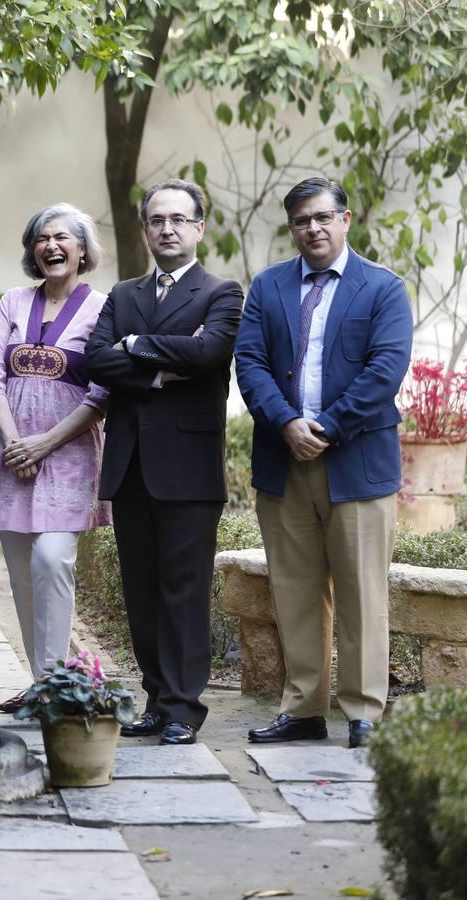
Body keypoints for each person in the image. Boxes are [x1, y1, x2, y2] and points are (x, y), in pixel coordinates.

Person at [235, 177, 412, 749]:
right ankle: (304, 709)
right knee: (295, 589)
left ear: (345, 218)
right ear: (291, 228)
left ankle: (363, 711)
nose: (312, 228)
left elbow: (385, 370)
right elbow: (250, 362)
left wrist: (328, 428)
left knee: (362, 590)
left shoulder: (383, 288)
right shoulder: (268, 287)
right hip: (284, 459)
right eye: (301, 221)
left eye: (322, 217)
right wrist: (287, 424)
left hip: (356, 461)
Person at [85, 178, 244, 746]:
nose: (167, 229)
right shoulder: (122, 295)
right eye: (157, 220)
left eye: (179, 219)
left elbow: (209, 353)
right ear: (145, 228)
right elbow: (95, 361)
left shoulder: (222, 293)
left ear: (199, 227)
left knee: (183, 588)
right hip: (130, 465)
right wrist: (156, 364)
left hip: (188, 466)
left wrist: (135, 347)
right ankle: (155, 697)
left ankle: (183, 706)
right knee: (142, 589)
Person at [0, 203, 110, 714]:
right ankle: (43, 681)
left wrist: (44, 444)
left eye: (62, 237)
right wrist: (17, 440)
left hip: (69, 452)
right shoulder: (13, 301)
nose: (51, 246)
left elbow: (103, 390)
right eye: (41, 238)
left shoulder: (103, 308)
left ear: (82, 249)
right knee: (21, 572)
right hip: (6, 448)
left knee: (51, 560)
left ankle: (60, 681)